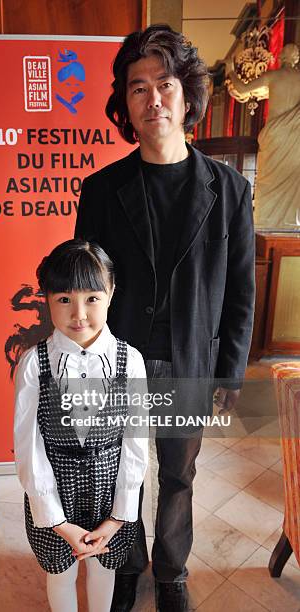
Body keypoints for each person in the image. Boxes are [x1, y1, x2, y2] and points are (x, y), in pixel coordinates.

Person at [75, 24, 255, 612]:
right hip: (118, 363)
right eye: (138, 87)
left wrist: (229, 372)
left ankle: (172, 572)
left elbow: (241, 290)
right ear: (125, 104)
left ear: (187, 95)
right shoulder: (101, 191)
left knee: (179, 473)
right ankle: (128, 565)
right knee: (121, 472)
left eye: (165, 84)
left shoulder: (229, 190)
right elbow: (85, 289)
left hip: (190, 360)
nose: (153, 98)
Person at [14, 239, 149, 612]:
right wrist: (57, 522)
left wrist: (119, 516)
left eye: (92, 298)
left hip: (110, 492)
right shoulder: (34, 364)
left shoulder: (131, 361)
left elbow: (136, 442)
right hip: (54, 491)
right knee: (60, 572)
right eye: (64, 299)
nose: (79, 314)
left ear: (111, 292)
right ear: (46, 298)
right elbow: (28, 447)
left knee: (105, 568)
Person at [226, 43, 300, 228]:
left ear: (281, 56)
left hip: (275, 134)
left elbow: (242, 89)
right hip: (294, 135)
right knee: (292, 176)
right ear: (297, 58)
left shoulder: (272, 76)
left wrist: (230, 69)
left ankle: (265, 222)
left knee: (268, 179)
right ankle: (289, 224)